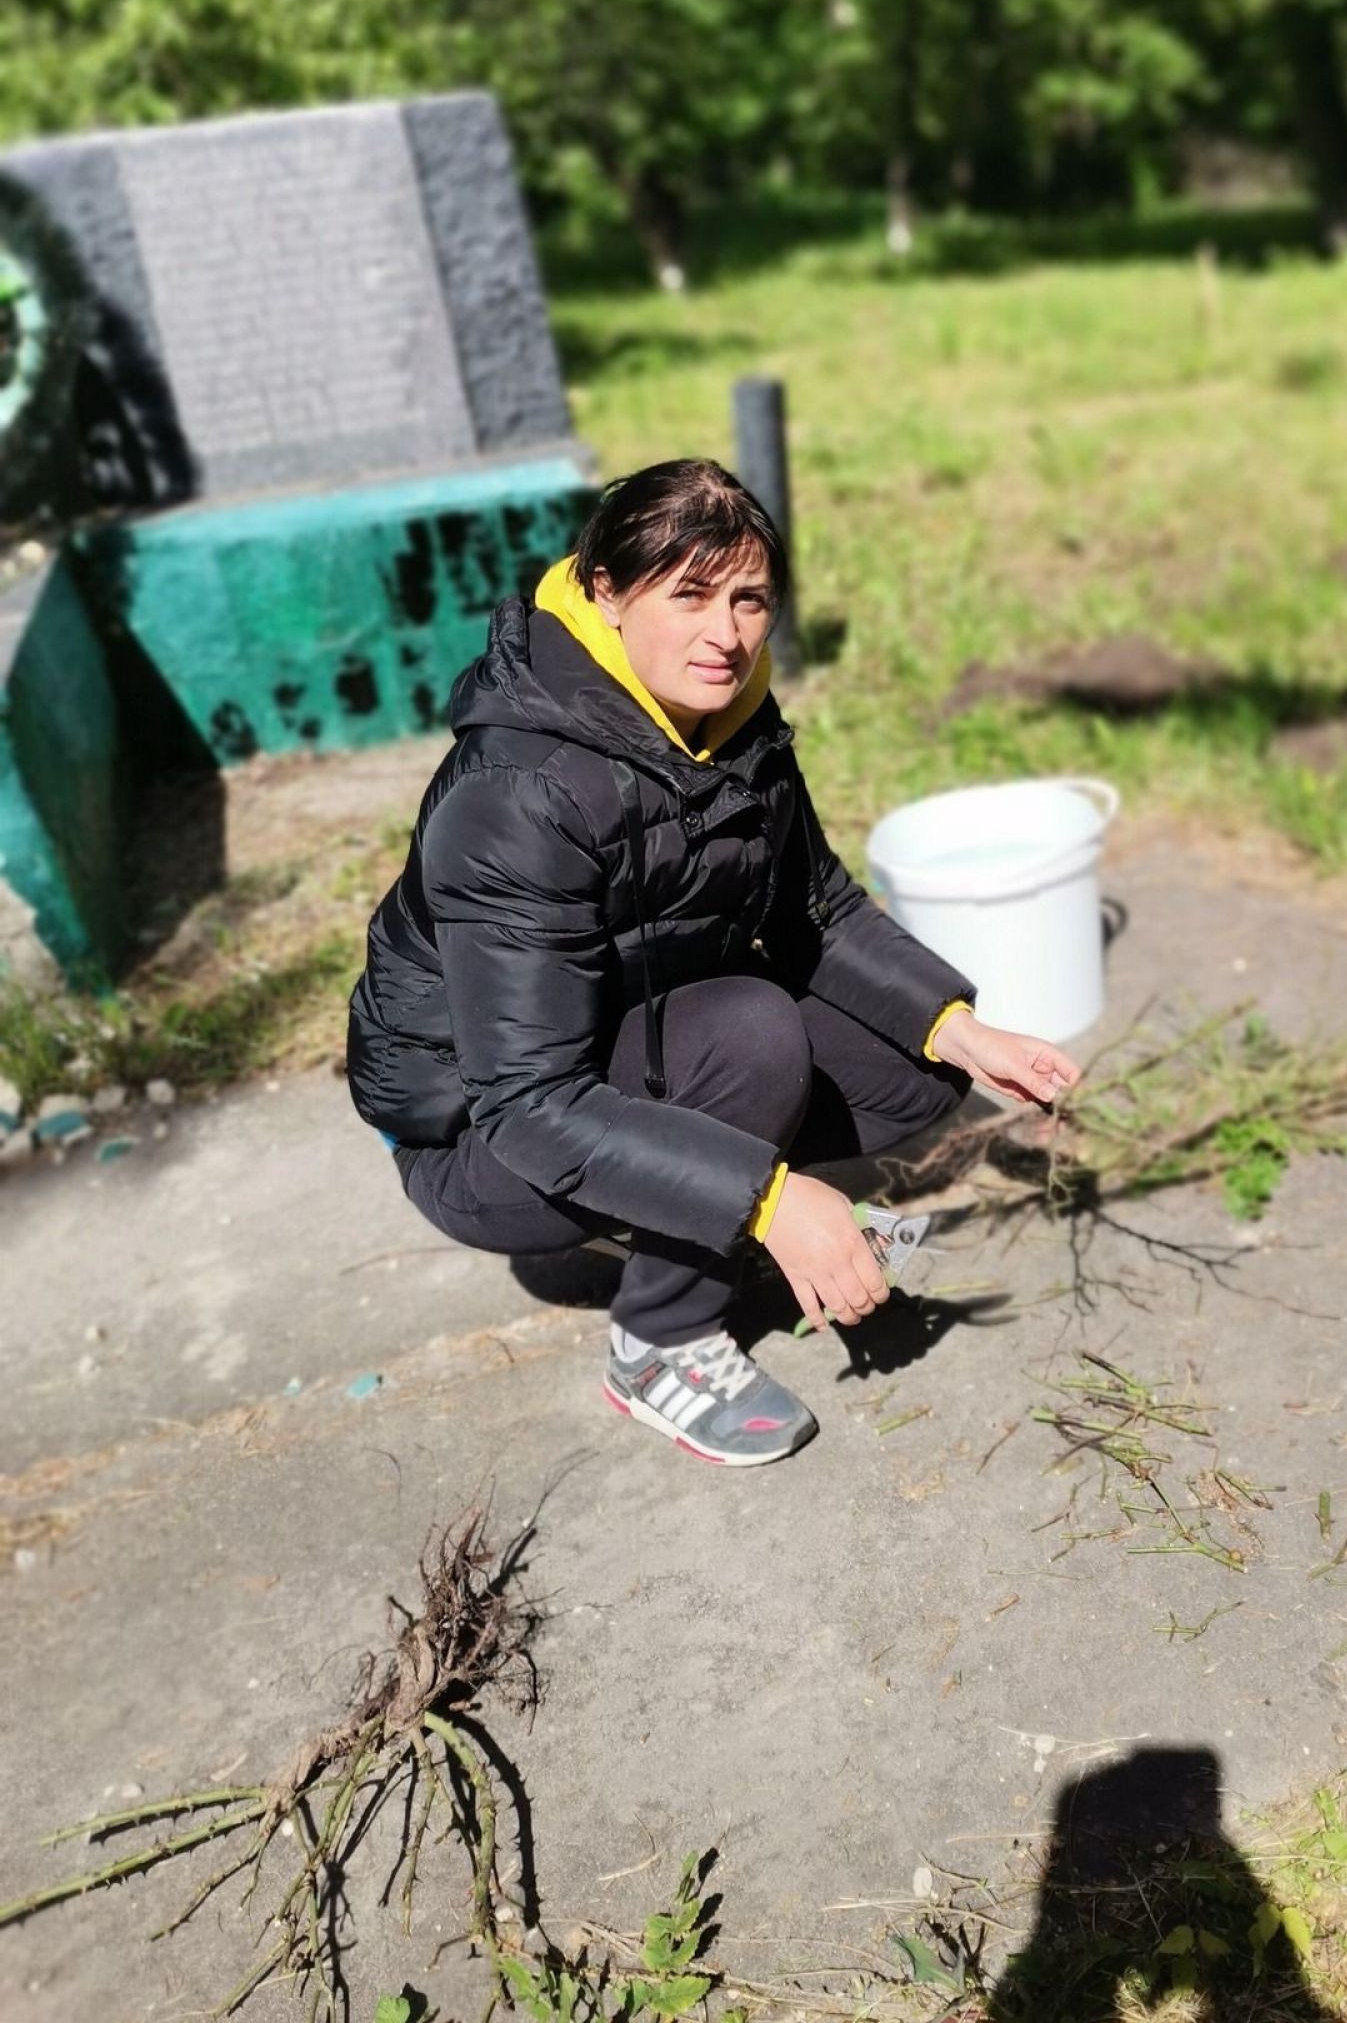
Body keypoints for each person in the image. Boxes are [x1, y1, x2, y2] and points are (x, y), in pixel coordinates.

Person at [346, 459, 1081, 1467]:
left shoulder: (732, 722)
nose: (725, 634)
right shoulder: (518, 796)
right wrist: (769, 1201)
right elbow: (524, 1102)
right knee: (752, 1034)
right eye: (688, 595)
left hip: (626, 1032)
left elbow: (816, 906)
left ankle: (697, 1201)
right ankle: (660, 1341)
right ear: (605, 591)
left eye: (749, 599)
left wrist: (963, 1028)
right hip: (478, 1135)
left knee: (913, 1071)